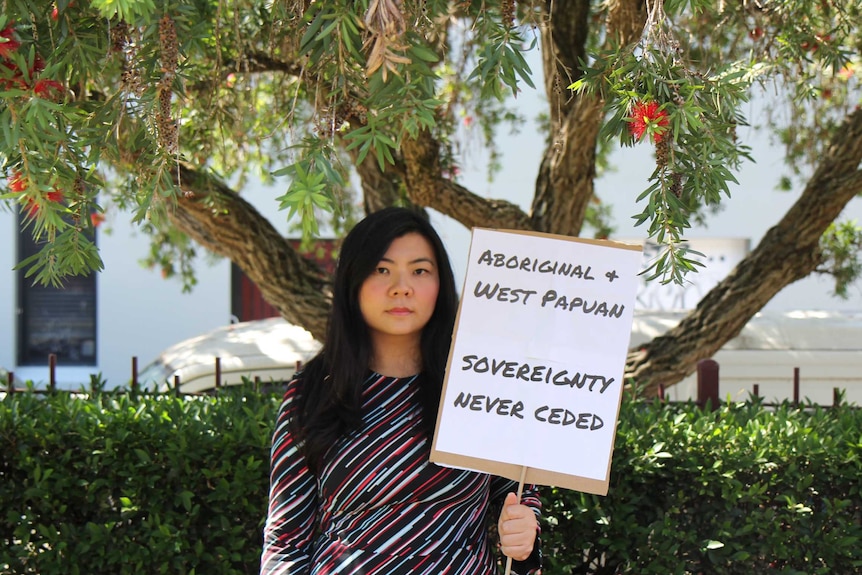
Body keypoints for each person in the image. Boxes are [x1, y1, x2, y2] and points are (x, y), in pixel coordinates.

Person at [260, 207, 542, 575]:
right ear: (352, 281)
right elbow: (285, 543)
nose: (401, 286)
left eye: (420, 270)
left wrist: (524, 544)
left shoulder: (482, 390)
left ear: (441, 285)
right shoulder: (311, 392)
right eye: (382, 269)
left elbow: (521, 509)